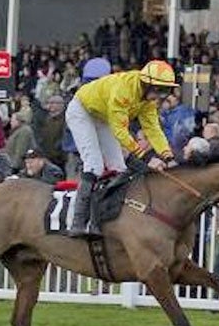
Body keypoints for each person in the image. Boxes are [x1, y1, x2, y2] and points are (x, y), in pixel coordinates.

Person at [63, 59, 179, 236]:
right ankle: (78, 222)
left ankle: (100, 218)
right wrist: (145, 158)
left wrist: (168, 157)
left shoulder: (148, 101)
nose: (161, 96)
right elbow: (120, 131)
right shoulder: (124, 90)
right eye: (159, 90)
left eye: (165, 91)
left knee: (119, 168)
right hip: (82, 111)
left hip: (103, 116)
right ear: (146, 84)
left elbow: (153, 129)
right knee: (94, 165)